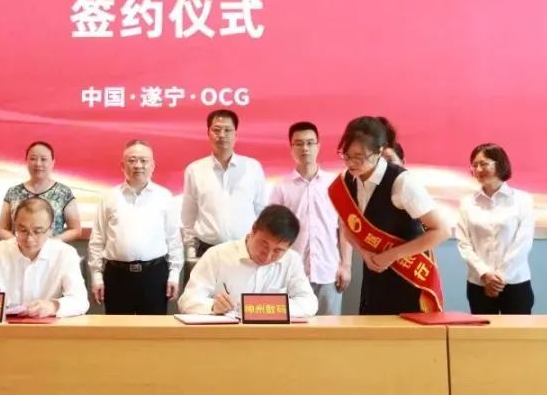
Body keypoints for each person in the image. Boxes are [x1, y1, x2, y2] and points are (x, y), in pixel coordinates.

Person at [329, 116, 448, 314]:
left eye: (359, 157)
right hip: (374, 273)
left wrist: (392, 255)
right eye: (347, 155)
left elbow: (441, 231)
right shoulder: (347, 180)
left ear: (379, 152)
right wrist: (364, 253)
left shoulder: (401, 182)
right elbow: (346, 226)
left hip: (409, 274)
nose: (351, 163)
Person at [88, 140, 184, 315]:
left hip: (155, 276)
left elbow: (173, 240)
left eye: (144, 161)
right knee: (117, 329)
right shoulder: (110, 197)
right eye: (132, 160)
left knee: (153, 330)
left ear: (153, 166)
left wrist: (174, 275)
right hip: (117, 276)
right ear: (122, 165)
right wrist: (96, 277)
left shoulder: (164, 197)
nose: (138, 165)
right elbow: (97, 240)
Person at [0, 197, 89, 318]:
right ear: (14, 226)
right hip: (2, 332)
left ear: (50, 229)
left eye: (37, 231)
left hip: (47, 331)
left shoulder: (65, 254)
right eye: (22, 230)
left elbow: (81, 301)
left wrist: (54, 306)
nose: (29, 238)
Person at [269, 121, 352, 315]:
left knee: (330, 330)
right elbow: (273, 231)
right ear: (291, 148)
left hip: (329, 272)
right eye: (298, 143)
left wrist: (346, 265)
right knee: (294, 329)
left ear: (318, 146)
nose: (305, 148)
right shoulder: (281, 187)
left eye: (310, 143)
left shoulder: (336, 184)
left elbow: (345, 227)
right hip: (291, 274)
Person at [178, 204, 317, 318]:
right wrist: (213, 306)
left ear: (289, 247)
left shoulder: (291, 260)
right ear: (253, 229)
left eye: (278, 251)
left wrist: (269, 309)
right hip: (226, 337)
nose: (267, 256)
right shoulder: (217, 255)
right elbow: (187, 301)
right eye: (264, 245)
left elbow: (309, 303)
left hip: (273, 338)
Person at [455, 143, 535, 314]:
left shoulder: (522, 200)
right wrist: (485, 274)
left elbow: (523, 242)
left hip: (515, 282)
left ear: (500, 164)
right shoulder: (467, 203)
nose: (478, 169)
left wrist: (500, 278)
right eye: (474, 165)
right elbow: (463, 244)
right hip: (479, 283)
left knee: (518, 331)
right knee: (483, 331)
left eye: (484, 164)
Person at [180, 109, 267, 259]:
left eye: (227, 130)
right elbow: (189, 215)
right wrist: (190, 249)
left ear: (235, 135)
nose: (222, 135)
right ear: (208, 133)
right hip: (207, 250)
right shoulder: (194, 170)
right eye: (216, 130)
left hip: (245, 248)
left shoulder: (253, 167)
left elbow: (261, 210)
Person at [0, 142, 81, 242]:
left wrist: (52, 243)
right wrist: (19, 242)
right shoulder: (13, 192)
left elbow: (75, 230)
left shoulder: (63, 192)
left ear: (52, 162)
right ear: (27, 161)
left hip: (52, 250)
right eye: (33, 159)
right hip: (17, 249)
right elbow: (2, 229)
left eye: (43, 159)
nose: (38, 164)